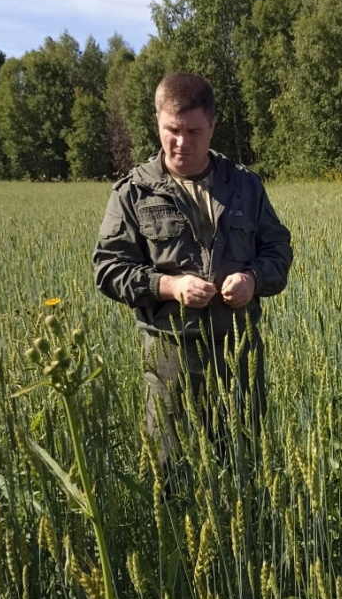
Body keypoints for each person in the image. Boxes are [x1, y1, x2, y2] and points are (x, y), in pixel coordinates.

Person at [94, 72, 292, 468]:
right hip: (171, 359)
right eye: (172, 130)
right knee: (170, 475)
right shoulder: (133, 192)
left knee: (244, 469)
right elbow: (108, 268)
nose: (181, 142)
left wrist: (253, 279)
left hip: (239, 355)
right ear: (158, 121)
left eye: (194, 131)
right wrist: (167, 285)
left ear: (213, 125)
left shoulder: (245, 186)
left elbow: (277, 249)